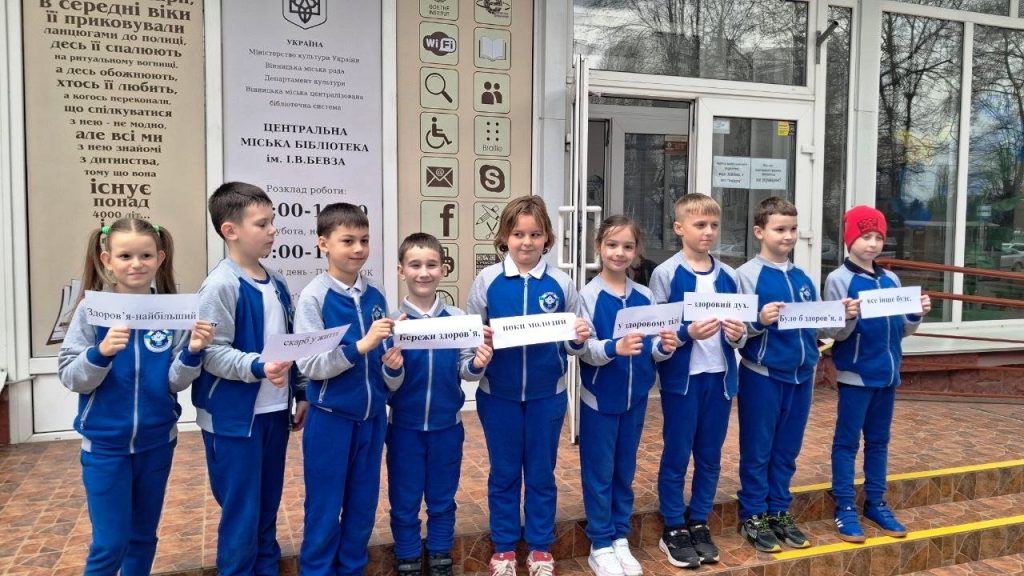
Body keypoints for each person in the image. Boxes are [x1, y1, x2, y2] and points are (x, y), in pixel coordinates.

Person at [58, 218, 213, 576]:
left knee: (143, 538)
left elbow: (174, 382)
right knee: (109, 544)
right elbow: (71, 377)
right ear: (107, 260)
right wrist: (100, 354)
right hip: (105, 447)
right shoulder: (91, 311)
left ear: (160, 258)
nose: (136, 264)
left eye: (145, 255)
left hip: (157, 443)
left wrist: (192, 352)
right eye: (125, 256)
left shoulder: (173, 313)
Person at [466, 195, 591, 576]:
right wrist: (479, 344)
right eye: (518, 234)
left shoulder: (562, 283)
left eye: (535, 234)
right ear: (505, 236)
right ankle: (504, 548)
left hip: (547, 397)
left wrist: (578, 339)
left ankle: (539, 547)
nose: (526, 242)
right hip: (497, 396)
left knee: (540, 474)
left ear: (547, 238)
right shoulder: (487, 281)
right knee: (504, 473)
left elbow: (573, 343)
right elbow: (472, 336)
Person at [193, 182, 306, 576]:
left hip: (274, 412)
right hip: (232, 420)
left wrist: (301, 392)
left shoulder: (277, 282)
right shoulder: (220, 285)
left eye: (272, 221)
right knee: (241, 514)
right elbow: (211, 353)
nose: (273, 230)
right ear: (230, 230)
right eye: (262, 223)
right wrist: (258, 366)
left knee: (267, 507)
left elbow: (288, 344)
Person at [734, 197, 859, 552]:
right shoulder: (746, 276)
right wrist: (759, 321)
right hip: (763, 375)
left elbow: (821, 328)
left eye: (792, 229)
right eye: (779, 229)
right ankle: (753, 514)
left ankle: (779, 510)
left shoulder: (803, 278)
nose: (788, 236)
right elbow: (736, 332)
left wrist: (842, 315)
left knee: (788, 450)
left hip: (802, 377)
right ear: (760, 232)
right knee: (758, 449)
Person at [294, 202, 395, 576]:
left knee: (362, 505)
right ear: (323, 243)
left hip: (372, 418)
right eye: (348, 240)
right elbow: (309, 365)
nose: (358, 249)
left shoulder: (376, 294)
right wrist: (360, 347)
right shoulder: (314, 297)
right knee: (324, 506)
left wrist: (391, 364)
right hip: (330, 419)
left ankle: (352, 568)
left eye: (364, 240)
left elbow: (383, 356)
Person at [385, 233, 493, 576]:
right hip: (404, 429)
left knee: (442, 497)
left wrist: (478, 363)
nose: (423, 272)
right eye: (415, 265)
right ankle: (407, 557)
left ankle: (440, 555)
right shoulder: (393, 323)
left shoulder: (457, 319)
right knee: (404, 498)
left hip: (448, 427)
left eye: (431, 265)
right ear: (401, 271)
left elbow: (466, 369)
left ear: (443, 269)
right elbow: (388, 384)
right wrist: (392, 368)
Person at [650, 193, 746, 569]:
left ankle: (699, 520)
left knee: (710, 455)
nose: (708, 232)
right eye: (699, 225)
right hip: (683, 382)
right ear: (679, 228)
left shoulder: (729, 276)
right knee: (677, 453)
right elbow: (658, 333)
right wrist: (686, 333)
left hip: (719, 380)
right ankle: (674, 525)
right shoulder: (666, 274)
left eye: (714, 225)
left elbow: (741, 331)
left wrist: (738, 335)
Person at [578, 215, 678, 576]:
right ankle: (600, 542)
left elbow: (652, 348)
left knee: (625, 469)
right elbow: (584, 348)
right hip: (600, 399)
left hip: (636, 400)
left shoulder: (645, 296)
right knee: (599, 472)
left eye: (627, 246)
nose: (619, 253)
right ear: (598, 247)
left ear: (637, 252)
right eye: (611, 245)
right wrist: (613, 347)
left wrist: (665, 346)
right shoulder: (587, 296)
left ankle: (619, 536)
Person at [826, 205, 931, 543]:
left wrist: (915, 315)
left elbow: (901, 330)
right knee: (846, 443)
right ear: (849, 240)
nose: (872, 244)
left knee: (879, 442)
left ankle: (876, 501)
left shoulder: (891, 279)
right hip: (856, 376)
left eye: (877, 237)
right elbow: (834, 333)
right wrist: (848, 317)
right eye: (864, 236)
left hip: (887, 376)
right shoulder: (839, 280)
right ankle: (844, 505)